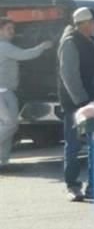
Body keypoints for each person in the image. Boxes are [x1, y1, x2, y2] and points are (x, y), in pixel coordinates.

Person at [58, 7, 94, 202]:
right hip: (75, 104)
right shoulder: (70, 43)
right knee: (73, 145)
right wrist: (81, 102)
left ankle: (93, 187)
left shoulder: (93, 42)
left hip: (93, 102)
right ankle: (72, 185)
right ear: (85, 23)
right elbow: (69, 75)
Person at [0, 17, 53, 168]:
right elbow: (24, 55)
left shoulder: (6, 46)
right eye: (9, 29)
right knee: (10, 125)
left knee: (5, 126)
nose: (12, 32)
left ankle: (3, 161)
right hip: (2, 93)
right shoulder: (3, 46)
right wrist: (42, 47)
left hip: (7, 92)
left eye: (13, 29)